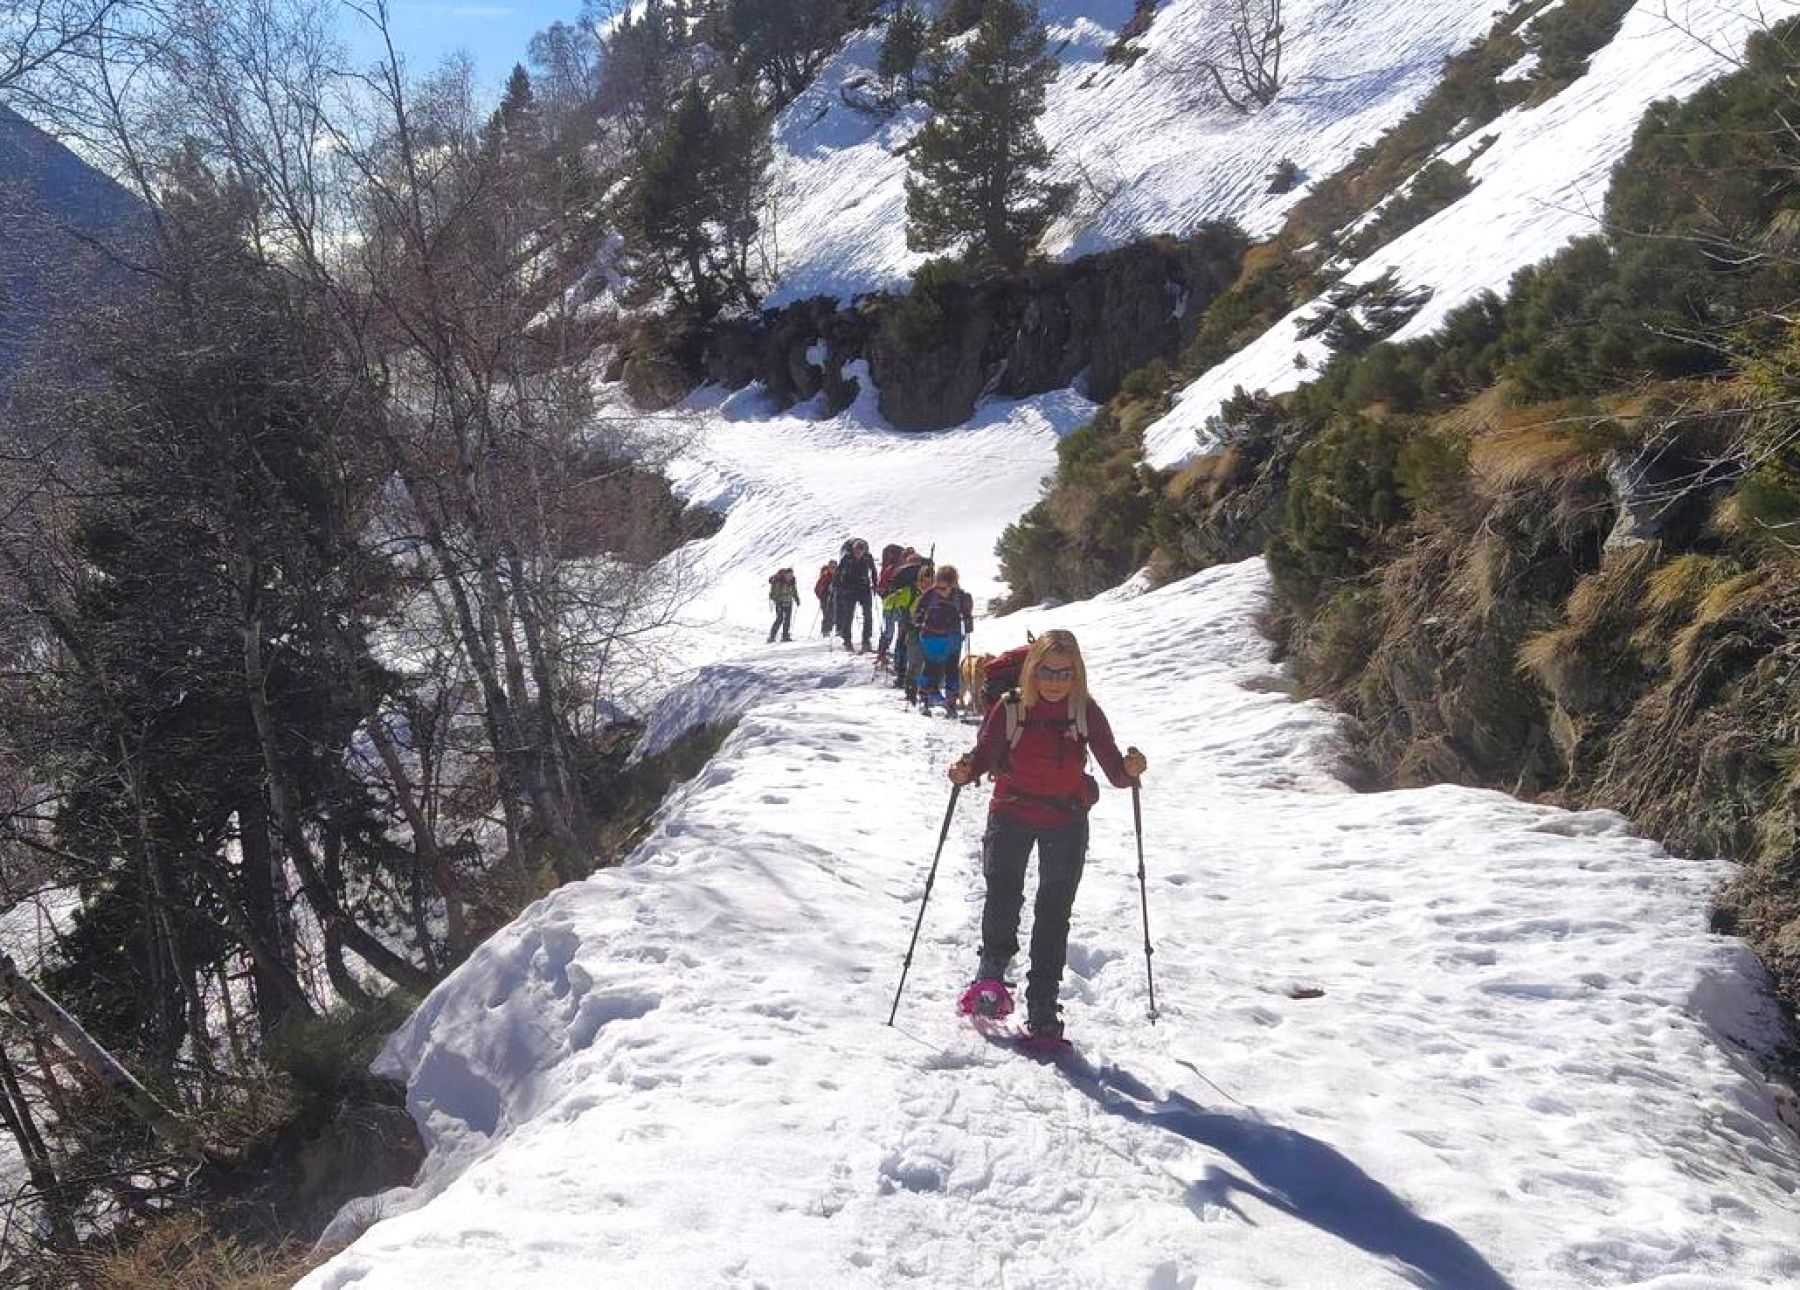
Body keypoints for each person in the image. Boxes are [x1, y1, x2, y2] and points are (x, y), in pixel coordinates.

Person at [948, 630, 1148, 1041]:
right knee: (1004, 894)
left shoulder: (1085, 711)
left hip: (1066, 817)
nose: (1056, 681)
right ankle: (991, 976)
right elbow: (983, 757)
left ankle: (1042, 999)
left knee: (1054, 909)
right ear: (1031, 670)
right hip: (1012, 810)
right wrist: (965, 771)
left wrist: (1131, 770)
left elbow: (1113, 769)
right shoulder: (1010, 708)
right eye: (1047, 671)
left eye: (1065, 672)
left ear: (1078, 674)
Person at [911, 563, 974, 713]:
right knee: (931, 669)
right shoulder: (930, 594)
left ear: (952, 585)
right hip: (931, 636)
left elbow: (966, 613)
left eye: (943, 588)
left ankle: (951, 700)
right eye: (937, 586)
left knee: (952, 670)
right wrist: (919, 617)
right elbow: (918, 610)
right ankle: (924, 697)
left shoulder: (960, 597)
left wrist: (968, 620)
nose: (939, 591)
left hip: (952, 637)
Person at [877, 547, 923, 669]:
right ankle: (883, 655)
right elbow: (882, 586)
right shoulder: (895, 571)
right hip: (894, 605)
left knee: (899, 634)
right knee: (890, 632)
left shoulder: (917, 574)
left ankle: (897, 661)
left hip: (903, 606)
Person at [834, 538, 878, 652]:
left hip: (864, 589)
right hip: (849, 589)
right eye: (856, 551)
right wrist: (839, 586)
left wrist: (875, 583)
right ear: (853, 550)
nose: (858, 554)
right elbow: (838, 573)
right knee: (848, 615)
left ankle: (866, 641)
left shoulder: (868, 558)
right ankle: (847, 641)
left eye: (860, 551)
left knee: (867, 614)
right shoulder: (846, 558)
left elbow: (873, 571)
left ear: (864, 551)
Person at [767, 568, 799, 643]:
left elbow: (794, 590)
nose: (790, 577)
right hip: (780, 602)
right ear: (785, 574)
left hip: (788, 602)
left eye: (791, 575)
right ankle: (772, 636)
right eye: (789, 575)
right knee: (780, 619)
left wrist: (797, 599)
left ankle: (785, 636)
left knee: (787, 619)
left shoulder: (792, 581)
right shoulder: (780, 582)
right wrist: (778, 602)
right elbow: (775, 594)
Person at [814, 562, 837, 637]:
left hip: (834, 598)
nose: (833, 569)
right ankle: (825, 631)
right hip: (825, 598)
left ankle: (829, 630)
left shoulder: (837, 576)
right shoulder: (825, 576)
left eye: (834, 567)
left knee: (834, 614)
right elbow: (817, 588)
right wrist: (822, 595)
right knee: (827, 614)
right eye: (831, 567)